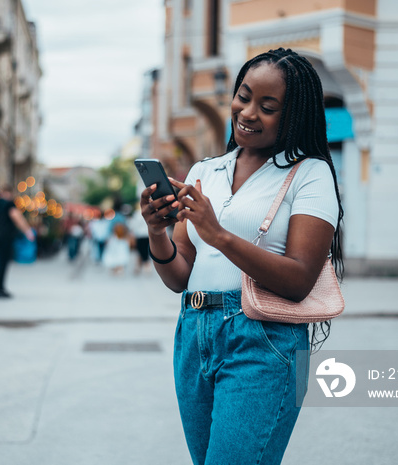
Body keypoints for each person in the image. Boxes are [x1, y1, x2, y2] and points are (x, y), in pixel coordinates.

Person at [140, 48, 343, 464]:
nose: (248, 113)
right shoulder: (205, 171)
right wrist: (156, 230)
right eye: (243, 96)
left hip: (263, 339)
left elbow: (300, 279)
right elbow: (181, 275)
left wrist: (217, 234)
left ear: (294, 115)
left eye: (267, 107)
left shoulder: (308, 173)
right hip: (194, 330)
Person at [0, 185, 35, 298]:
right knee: (3, 263)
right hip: (6, 237)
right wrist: (28, 231)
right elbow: (16, 217)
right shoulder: (9, 204)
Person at [127, 205, 151, 275]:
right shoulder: (148, 213)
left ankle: (143, 266)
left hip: (139, 235)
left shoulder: (136, 214)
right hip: (147, 235)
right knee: (146, 251)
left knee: (140, 251)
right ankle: (144, 266)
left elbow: (133, 226)